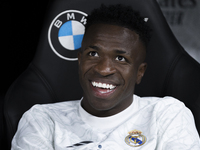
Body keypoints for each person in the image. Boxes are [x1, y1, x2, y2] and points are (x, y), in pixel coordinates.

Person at [11, 4, 200, 150]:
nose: (103, 69)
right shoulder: (42, 120)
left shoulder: (167, 115)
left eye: (120, 58)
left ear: (139, 72)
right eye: (93, 54)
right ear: (79, 60)